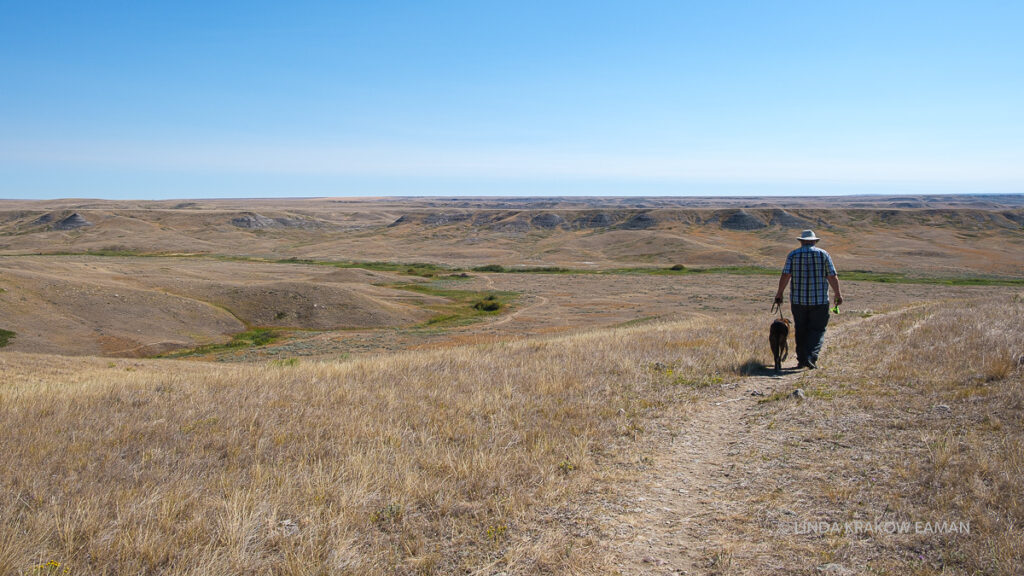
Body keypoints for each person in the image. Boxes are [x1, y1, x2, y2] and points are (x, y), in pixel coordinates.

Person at [773, 230, 843, 369]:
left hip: (798, 301)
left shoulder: (793, 255)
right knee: (817, 330)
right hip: (820, 300)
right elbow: (832, 276)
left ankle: (802, 359)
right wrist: (837, 294)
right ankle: (811, 356)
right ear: (814, 241)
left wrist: (779, 293)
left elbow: (786, 275)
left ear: (801, 241)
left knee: (801, 329)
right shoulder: (823, 254)